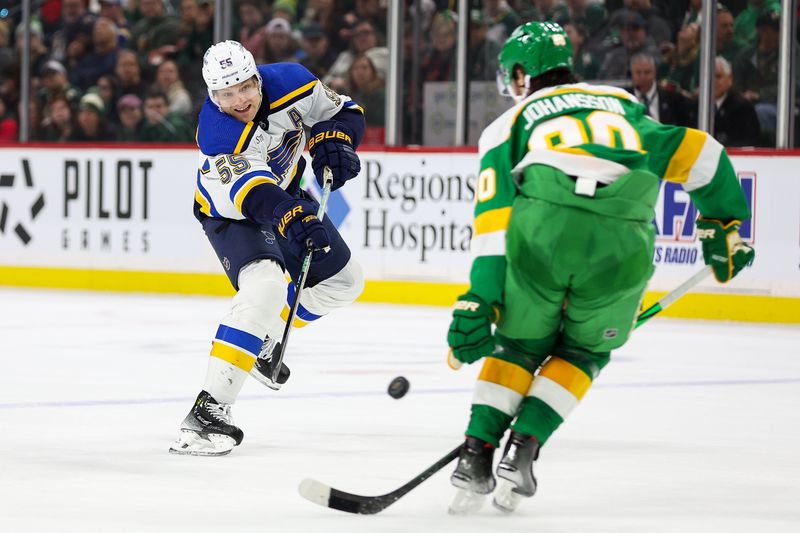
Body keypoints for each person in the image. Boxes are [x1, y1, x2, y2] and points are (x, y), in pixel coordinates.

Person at [446, 22, 755, 515]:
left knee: (521, 345)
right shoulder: (626, 105)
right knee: (586, 350)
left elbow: (494, 220)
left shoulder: (509, 124)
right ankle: (523, 448)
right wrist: (727, 224)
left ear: (522, 76)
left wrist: (481, 296)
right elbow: (705, 155)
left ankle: (476, 453)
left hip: (542, 233)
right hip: (622, 243)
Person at [169, 40, 365, 456]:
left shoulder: (293, 81)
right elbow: (256, 194)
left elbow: (343, 111)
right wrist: (292, 216)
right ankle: (208, 411)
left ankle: (265, 340)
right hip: (235, 211)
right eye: (225, 94)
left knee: (345, 282)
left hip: (287, 195)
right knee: (267, 285)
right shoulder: (220, 133)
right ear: (211, 96)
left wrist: (337, 140)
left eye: (244, 87)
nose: (238, 100)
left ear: (258, 78)